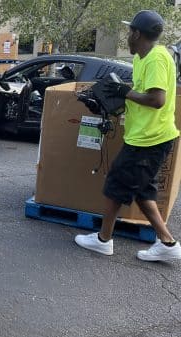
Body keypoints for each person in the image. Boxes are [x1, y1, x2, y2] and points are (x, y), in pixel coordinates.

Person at [75, 10, 181, 261]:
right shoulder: (141, 58)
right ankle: (168, 244)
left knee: (116, 185)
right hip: (145, 136)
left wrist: (124, 91)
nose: (127, 37)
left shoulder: (156, 59)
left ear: (137, 33)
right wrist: (111, 101)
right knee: (143, 191)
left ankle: (103, 239)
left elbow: (157, 100)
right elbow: (139, 94)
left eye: (129, 32)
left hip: (149, 139)